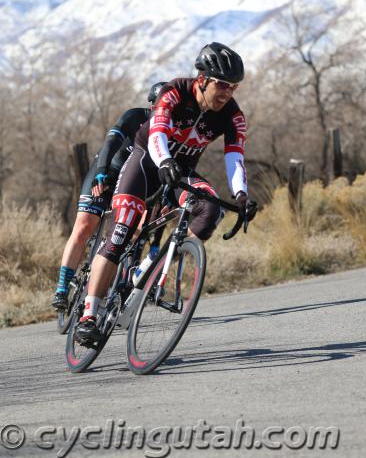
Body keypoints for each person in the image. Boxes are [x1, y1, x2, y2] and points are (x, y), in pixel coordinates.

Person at [75, 42, 258, 344]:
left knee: (209, 208)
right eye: (222, 85)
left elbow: (235, 157)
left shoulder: (233, 115)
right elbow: (158, 132)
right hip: (147, 160)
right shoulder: (175, 91)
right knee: (121, 231)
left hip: (180, 169)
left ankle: (162, 265)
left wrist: (241, 195)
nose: (227, 93)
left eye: (234, 87)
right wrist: (165, 161)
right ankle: (89, 315)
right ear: (203, 79)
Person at [51, 82, 167, 311]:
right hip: (107, 173)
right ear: (151, 104)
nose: (164, 110)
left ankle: (103, 288)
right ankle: (62, 288)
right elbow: (110, 142)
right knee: (84, 226)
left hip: (130, 184)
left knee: (127, 234)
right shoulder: (135, 117)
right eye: (160, 105)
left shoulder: (169, 130)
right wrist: (101, 171)